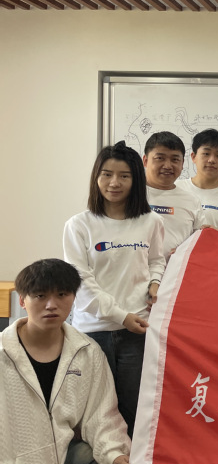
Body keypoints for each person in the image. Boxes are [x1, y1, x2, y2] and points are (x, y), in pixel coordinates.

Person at [1, 258, 134, 464]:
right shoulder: (3, 353)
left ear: (73, 298)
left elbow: (102, 415)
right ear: (22, 300)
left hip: (60, 462)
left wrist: (115, 454)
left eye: (62, 294)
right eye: (40, 296)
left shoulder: (88, 352)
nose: (51, 305)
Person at [63, 141, 165, 437]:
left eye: (124, 176)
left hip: (138, 330)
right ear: (96, 177)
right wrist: (121, 316)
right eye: (106, 174)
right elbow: (81, 281)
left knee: (134, 406)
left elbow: (156, 260)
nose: (114, 183)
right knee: (94, 409)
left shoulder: (151, 221)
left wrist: (155, 282)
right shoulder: (79, 225)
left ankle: (133, 460)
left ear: (136, 180)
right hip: (93, 330)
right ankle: (100, 462)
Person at [143, 131, 206, 260]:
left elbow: (200, 245)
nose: (167, 166)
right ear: (145, 161)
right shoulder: (129, 195)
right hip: (135, 270)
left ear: (182, 164)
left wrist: (187, 250)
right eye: (160, 158)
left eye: (175, 160)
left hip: (176, 271)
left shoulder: (192, 201)